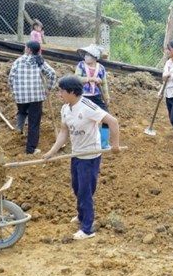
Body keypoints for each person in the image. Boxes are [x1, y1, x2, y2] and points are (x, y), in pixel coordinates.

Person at [43, 76, 121, 240]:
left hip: (90, 155)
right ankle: (81, 215)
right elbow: (64, 132)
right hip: (77, 153)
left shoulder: (87, 106)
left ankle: (87, 228)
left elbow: (113, 122)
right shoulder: (65, 108)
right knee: (77, 187)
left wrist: (115, 145)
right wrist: (52, 151)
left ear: (71, 91)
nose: (59, 94)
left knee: (85, 191)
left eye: (61, 91)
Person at [8, 40, 56, 155]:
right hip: (36, 96)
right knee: (34, 122)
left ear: (29, 49)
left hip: (20, 95)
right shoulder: (39, 62)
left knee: (22, 111)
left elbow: (11, 77)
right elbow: (52, 74)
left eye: (26, 47)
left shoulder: (18, 61)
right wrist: (48, 89)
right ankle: (31, 149)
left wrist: (14, 91)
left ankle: (19, 128)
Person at [75, 44, 111, 149]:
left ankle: (103, 143)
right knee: (82, 120)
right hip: (83, 97)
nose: (86, 57)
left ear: (95, 57)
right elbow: (76, 78)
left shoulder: (101, 68)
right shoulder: (81, 65)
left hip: (97, 97)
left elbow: (104, 83)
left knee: (107, 118)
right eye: (85, 55)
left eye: (89, 55)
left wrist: (107, 96)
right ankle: (83, 142)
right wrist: (90, 79)